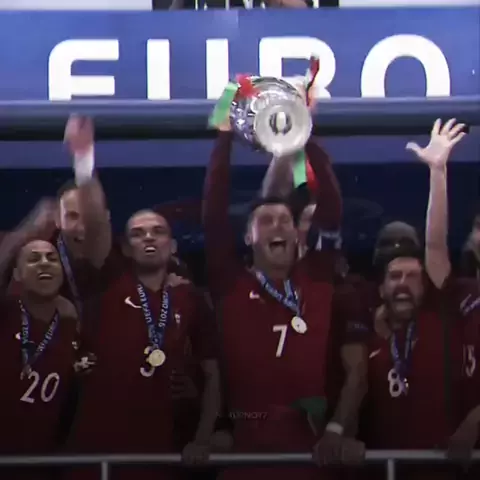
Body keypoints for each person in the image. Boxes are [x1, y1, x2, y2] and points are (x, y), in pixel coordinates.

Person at [203, 98, 349, 480]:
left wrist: (305, 131)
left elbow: (332, 206)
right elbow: (213, 214)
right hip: (245, 456)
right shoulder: (230, 282)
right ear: (248, 237)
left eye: (285, 220)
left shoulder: (317, 276)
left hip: (309, 456)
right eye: (265, 221)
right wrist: (224, 139)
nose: (278, 226)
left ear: (298, 235)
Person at [64, 209, 221, 480]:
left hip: (160, 454)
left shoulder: (191, 298)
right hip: (94, 454)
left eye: (158, 231)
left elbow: (213, 373)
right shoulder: (105, 287)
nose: (148, 237)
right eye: (137, 234)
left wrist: (202, 438)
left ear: (173, 245)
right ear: (125, 248)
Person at [358, 118, 471, 480]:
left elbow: (435, 244)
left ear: (427, 286)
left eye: (412, 276)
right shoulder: (367, 339)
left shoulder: (439, 317)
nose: (403, 284)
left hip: (444, 471)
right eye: (395, 277)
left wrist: (437, 171)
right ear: (381, 289)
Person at [0, 201, 79, 480]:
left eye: (51, 258)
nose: (44, 263)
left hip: (43, 467)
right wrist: (25, 233)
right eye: (33, 259)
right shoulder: (6, 313)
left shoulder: (71, 325)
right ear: (17, 274)